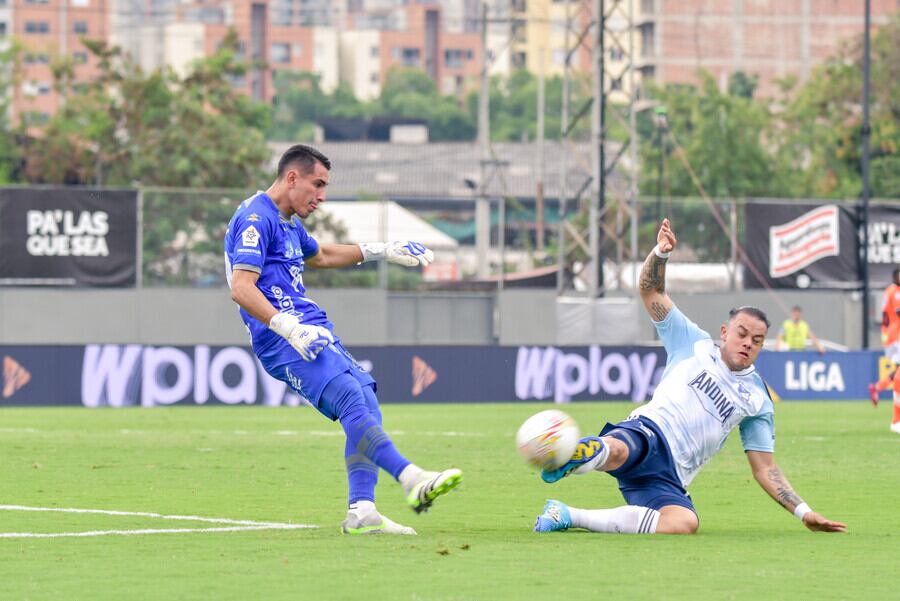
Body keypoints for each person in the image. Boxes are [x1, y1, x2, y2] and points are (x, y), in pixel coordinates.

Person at [532, 218, 846, 535]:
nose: (748, 342)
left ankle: (568, 514)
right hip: (649, 432)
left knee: (684, 523)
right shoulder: (693, 343)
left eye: (757, 340)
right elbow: (650, 290)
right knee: (618, 449)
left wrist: (804, 513)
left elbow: (765, 468)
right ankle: (577, 452)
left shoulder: (758, 400)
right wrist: (661, 253)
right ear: (725, 332)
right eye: (742, 333)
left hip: (671, 475)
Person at [224, 144, 462, 535]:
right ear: (292, 178)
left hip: (310, 328)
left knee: (366, 398)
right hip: (284, 338)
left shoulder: (286, 221)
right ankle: (410, 477)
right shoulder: (256, 218)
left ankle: (362, 511)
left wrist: (381, 251)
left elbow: (320, 256)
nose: (321, 196)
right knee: (352, 400)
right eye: (317, 185)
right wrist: (287, 327)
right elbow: (241, 287)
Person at [868, 268, 900, 431]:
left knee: (898, 371)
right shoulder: (893, 292)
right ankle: (896, 420)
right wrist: (885, 334)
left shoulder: (891, 291)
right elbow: (891, 314)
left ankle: (878, 387)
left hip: (893, 336)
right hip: (895, 337)